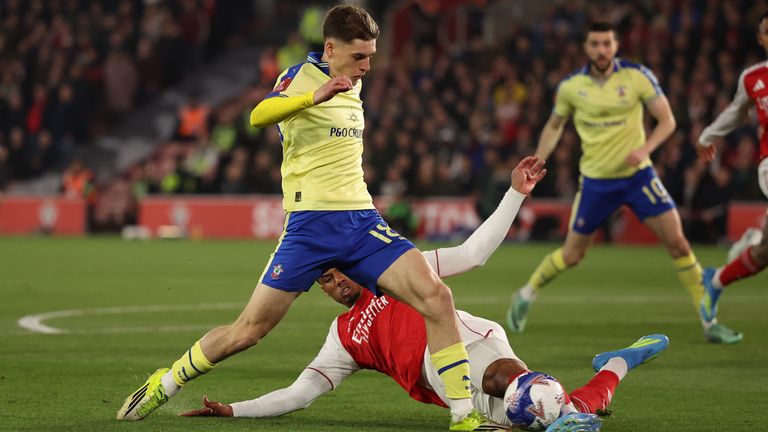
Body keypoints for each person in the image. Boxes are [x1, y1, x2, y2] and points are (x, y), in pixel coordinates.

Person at [116, 6, 524, 430]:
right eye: (359, 57)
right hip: (310, 228)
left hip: (362, 223)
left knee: (437, 298)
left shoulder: (355, 85)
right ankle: (165, 382)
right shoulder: (301, 78)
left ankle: (463, 417)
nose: (367, 66)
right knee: (248, 331)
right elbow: (258, 115)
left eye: (371, 56)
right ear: (330, 48)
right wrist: (315, 96)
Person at [177, 169, 668, 432]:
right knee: (539, 418)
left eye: (338, 272)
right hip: (450, 390)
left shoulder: (391, 270)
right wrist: (233, 411)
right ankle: (617, 365)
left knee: (524, 395)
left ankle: (563, 408)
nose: (338, 283)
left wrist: (515, 194)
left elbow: (473, 254)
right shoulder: (343, 338)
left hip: (475, 348)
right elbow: (299, 395)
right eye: (324, 280)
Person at [505, 22, 742, 344]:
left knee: (679, 244)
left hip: (638, 177)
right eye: (595, 44)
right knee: (573, 255)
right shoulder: (571, 87)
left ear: (615, 46)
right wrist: (540, 158)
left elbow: (668, 120)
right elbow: (554, 125)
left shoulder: (637, 76)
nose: (601, 49)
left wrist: (645, 149)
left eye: (607, 43)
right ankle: (525, 293)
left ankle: (709, 321)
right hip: (596, 181)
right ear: (586, 48)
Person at [696, 12, 768, 329]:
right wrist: (707, 136)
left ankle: (717, 279)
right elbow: (736, 113)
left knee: (763, 254)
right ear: (761, 38)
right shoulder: (753, 78)